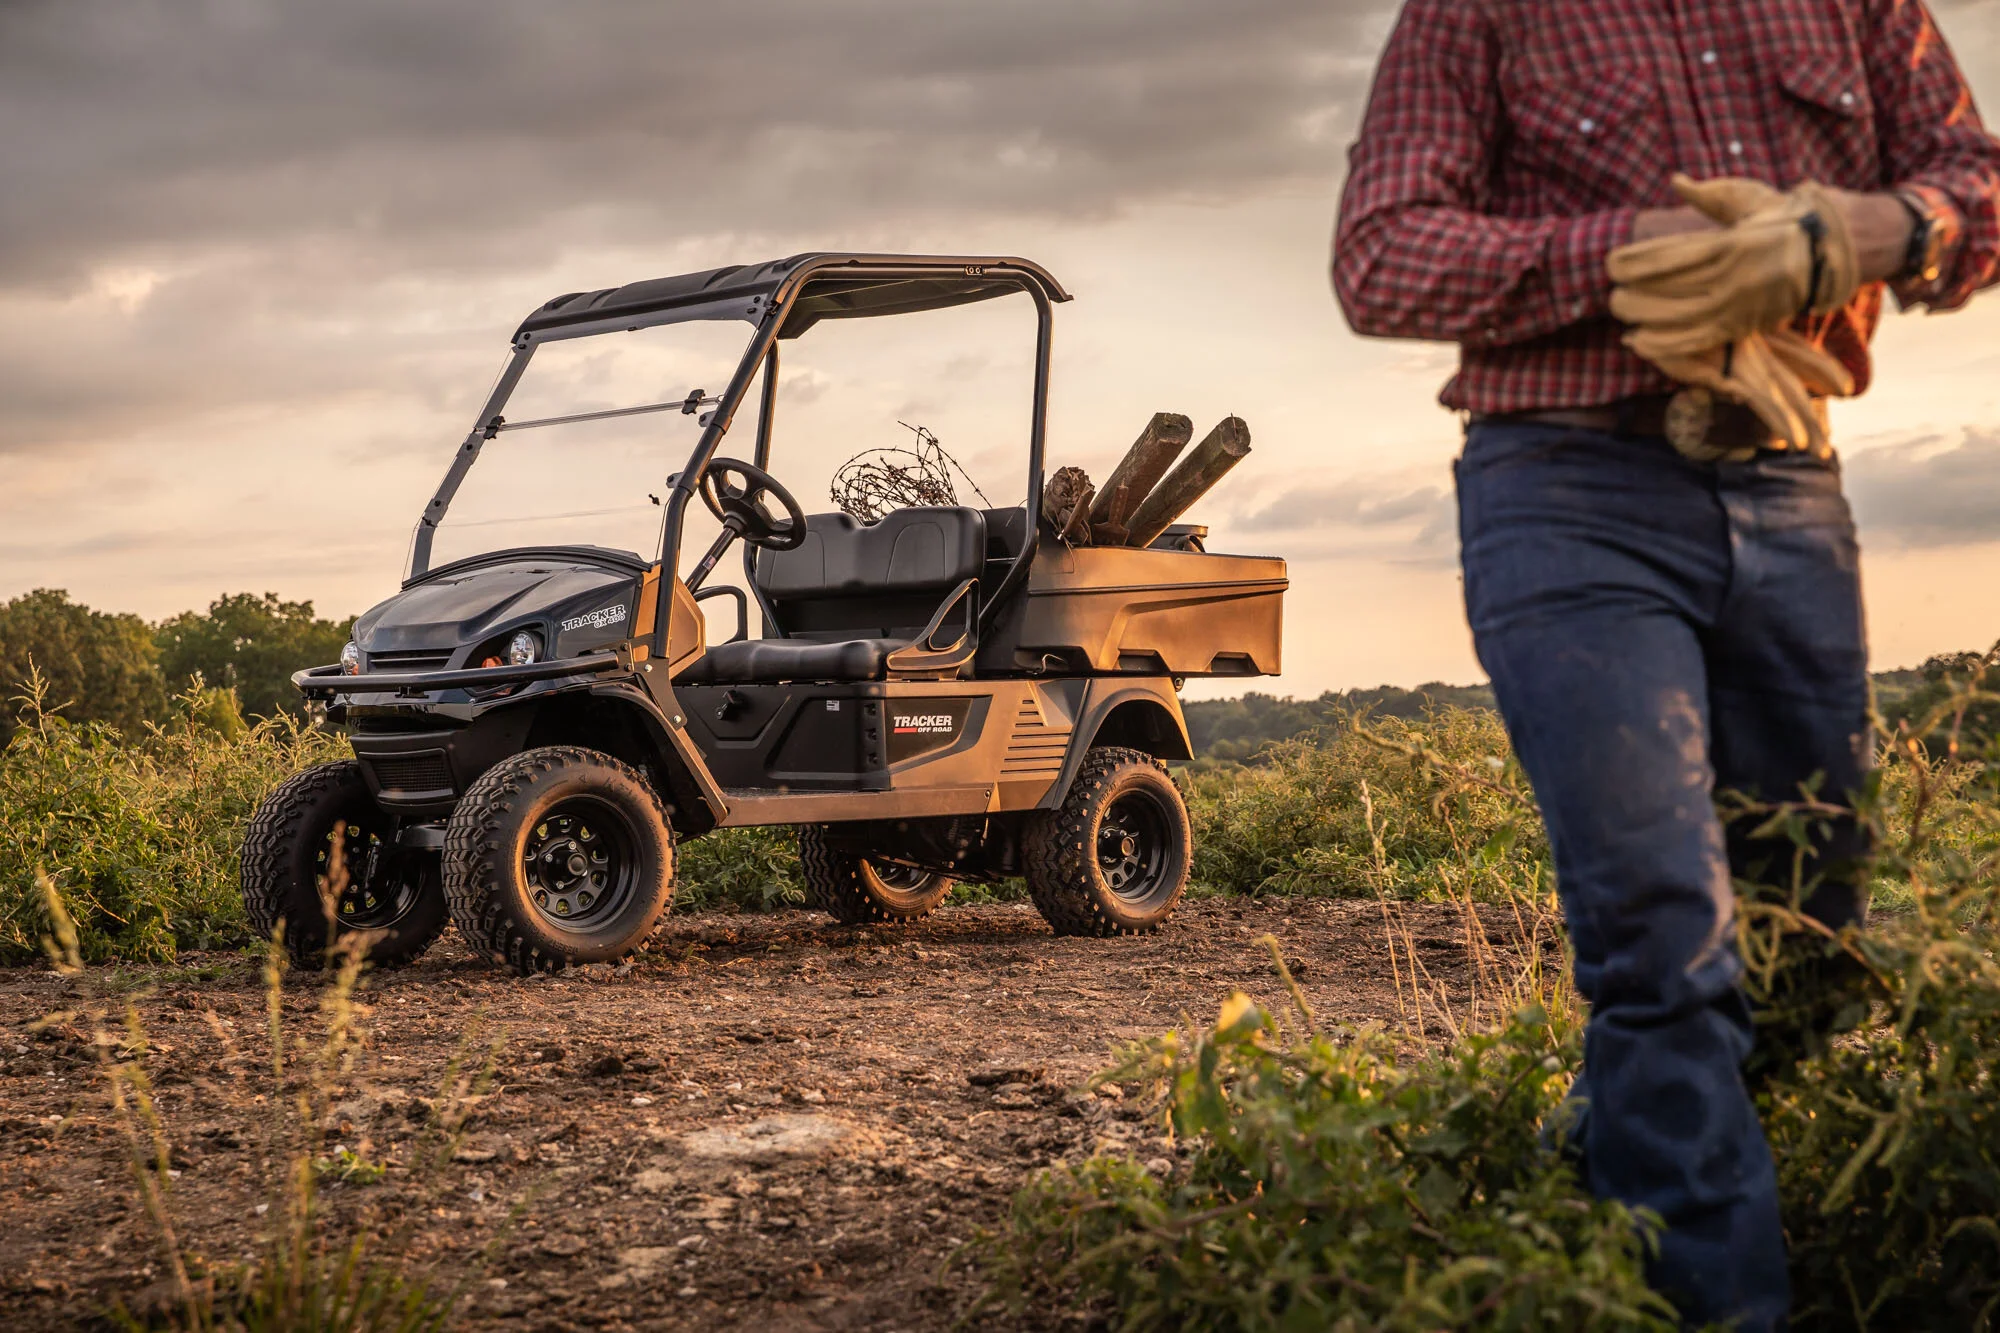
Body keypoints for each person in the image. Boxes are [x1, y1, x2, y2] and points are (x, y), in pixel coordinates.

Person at [1330, 2, 2000, 1327]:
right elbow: (1382, 258)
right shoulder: (1480, 14)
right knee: (1660, 931)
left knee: (1810, 927)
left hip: (1786, 469)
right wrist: (1628, 249)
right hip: (1564, 483)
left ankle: (1583, 1203)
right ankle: (1717, 1304)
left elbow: (1974, 180)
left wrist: (1890, 229)